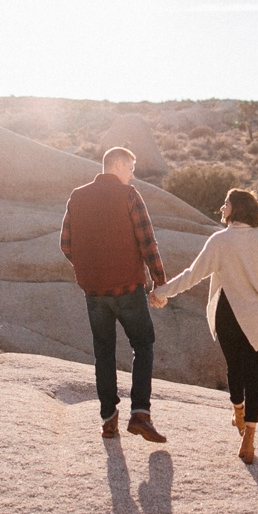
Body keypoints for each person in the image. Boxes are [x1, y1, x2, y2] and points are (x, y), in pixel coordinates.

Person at [151, 188, 258, 464]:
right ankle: (249, 438)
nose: (221, 208)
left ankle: (237, 409)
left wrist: (163, 291)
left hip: (229, 315)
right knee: (254, 377)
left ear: (235, 208)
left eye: (225, 204)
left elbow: (192, 275)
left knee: (234, 369)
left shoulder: (220, 241)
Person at [61, 147, 169, 442]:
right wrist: (160, 283)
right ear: (118, 165)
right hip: (128, 289)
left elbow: (66, 244)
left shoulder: (78, 196)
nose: (132, 174)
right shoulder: (129, 195)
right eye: (131, 167)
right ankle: (140, 414)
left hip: (94, 291)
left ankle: (109, 421)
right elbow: (148, 243)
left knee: (104, 352)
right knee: (143, 344)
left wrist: (89, 270)